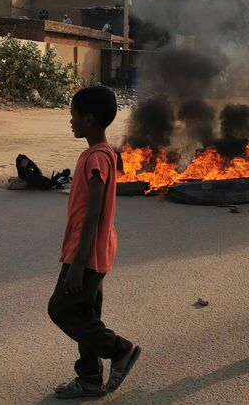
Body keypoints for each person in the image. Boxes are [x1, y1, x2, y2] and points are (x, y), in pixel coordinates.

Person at [47, 85, 141, 398]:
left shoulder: (97, 158)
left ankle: (120, 350)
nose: (70, 121)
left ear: (88, 119)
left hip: (86, 252)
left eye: (73, 115)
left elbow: (92, 214)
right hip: (94, 249)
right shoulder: (104, 153)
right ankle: (89, 378)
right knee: (85, 315)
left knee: (61, 309)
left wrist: (76, 264)